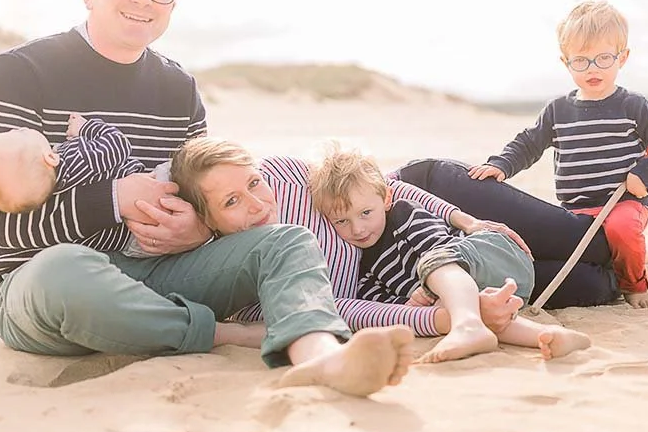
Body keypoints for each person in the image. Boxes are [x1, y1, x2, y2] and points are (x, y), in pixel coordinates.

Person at [0, 0, 413, 397]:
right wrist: (112, 199)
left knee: (286, 241)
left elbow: (209, 197)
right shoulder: (19, 72)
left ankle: (322, 356)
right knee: (64, 270)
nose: (143, 1)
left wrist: (199, 228)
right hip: (44, 286)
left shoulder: (179, 89)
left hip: (164, 273)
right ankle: (221, 333)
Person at [166, 138, 530, 345]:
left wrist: (469, 221)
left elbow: (377, 188)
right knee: (585, 283)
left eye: (253, 183)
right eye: (231, 202)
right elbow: (343, 310)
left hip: (424, 204)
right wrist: (438, 318)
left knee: (578, 237)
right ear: (208, 221)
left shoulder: (281, 174)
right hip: (399, 275)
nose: (258, 203)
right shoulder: (247, 289)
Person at [469, 0, 648, 308]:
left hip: (623, 202)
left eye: (603, 58)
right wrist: (501, 165)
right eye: (581, 61)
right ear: (565, 62)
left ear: (622, 58)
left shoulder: (633, 106)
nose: (592, 69)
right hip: (576, 209)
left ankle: (635, 286)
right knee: (583, 255)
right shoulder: (558, 110)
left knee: (622, 231)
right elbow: (529, 143)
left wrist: (647, 174)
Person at [308, 143, 593, 364]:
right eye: (342, 222)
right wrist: (411, 302)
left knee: (437, 265)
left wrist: (426, 292)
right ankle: (549, 336)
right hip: (484, 292)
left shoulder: (404, 214)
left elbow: (441, 248)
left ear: (385, 199)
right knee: (481, 312)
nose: (357, 229)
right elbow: (384, 300)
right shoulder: (362, 266)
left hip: (489, 255)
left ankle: (466, 324)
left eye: (365, 213)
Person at [391, 159, 648, 306]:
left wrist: (466, 221)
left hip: (431, 192)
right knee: (590, 286)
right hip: (437, 257)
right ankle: (646, 268)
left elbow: (379, 189)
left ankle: (635, 256)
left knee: (589, 244)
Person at [0, 111, 169, 258]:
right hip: (153, 190)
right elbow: (118, 145)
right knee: (187, 165)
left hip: (132, 244)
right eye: (18, 132)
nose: (19, 128)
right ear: (50, 158)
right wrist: (85, 128)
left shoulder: (53, 203)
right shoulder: (78, 160)